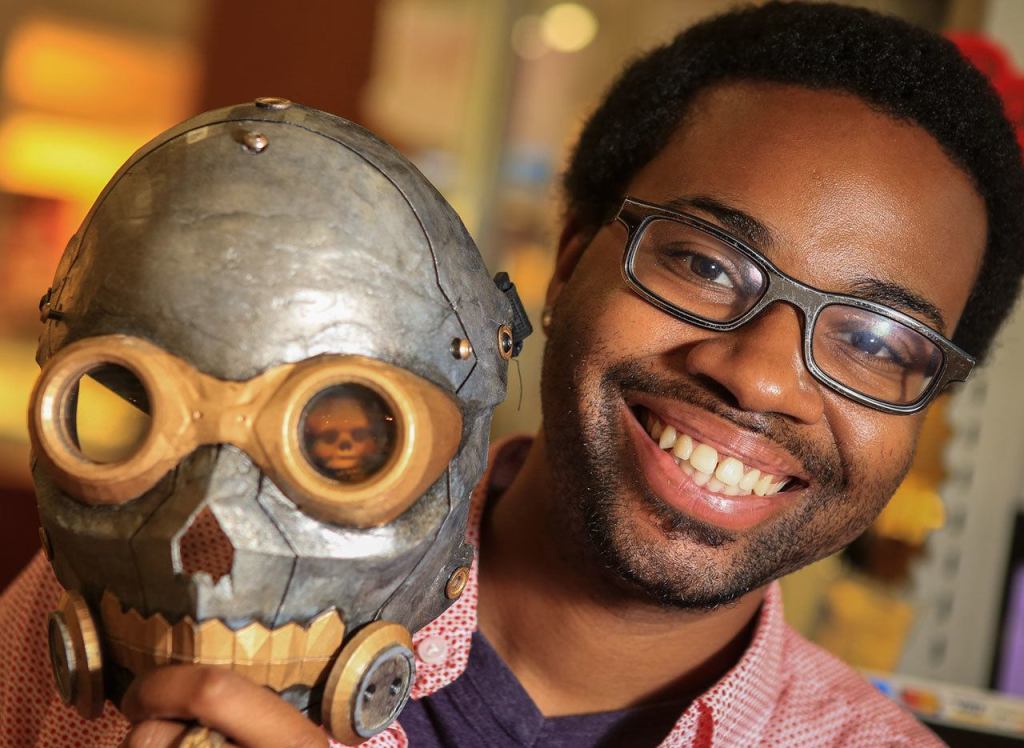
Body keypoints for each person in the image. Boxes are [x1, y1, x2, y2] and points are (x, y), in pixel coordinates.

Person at [4, 2, 1024, 746]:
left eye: (879, 341)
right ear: (570, 259)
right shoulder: (149, 585)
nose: (760, 376)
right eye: (708, 264)